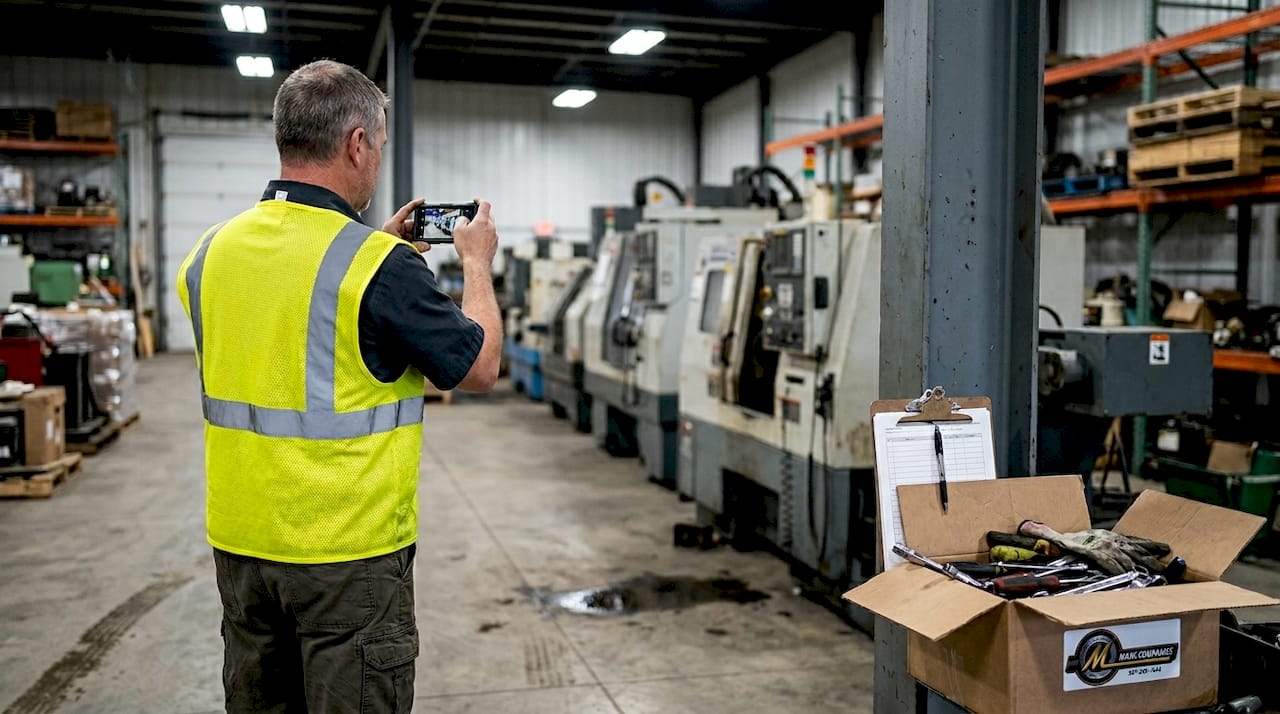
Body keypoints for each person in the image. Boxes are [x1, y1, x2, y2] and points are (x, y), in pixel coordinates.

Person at [176, 59, 501, 713]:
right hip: (346, 555)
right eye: (378, 144)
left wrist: (374, 245)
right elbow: (479, 367)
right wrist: (476, 264)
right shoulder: (378, 269)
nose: (377, 159)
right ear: (357, 143)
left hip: (241, 548)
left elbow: (295, 307)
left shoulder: (208, 253)